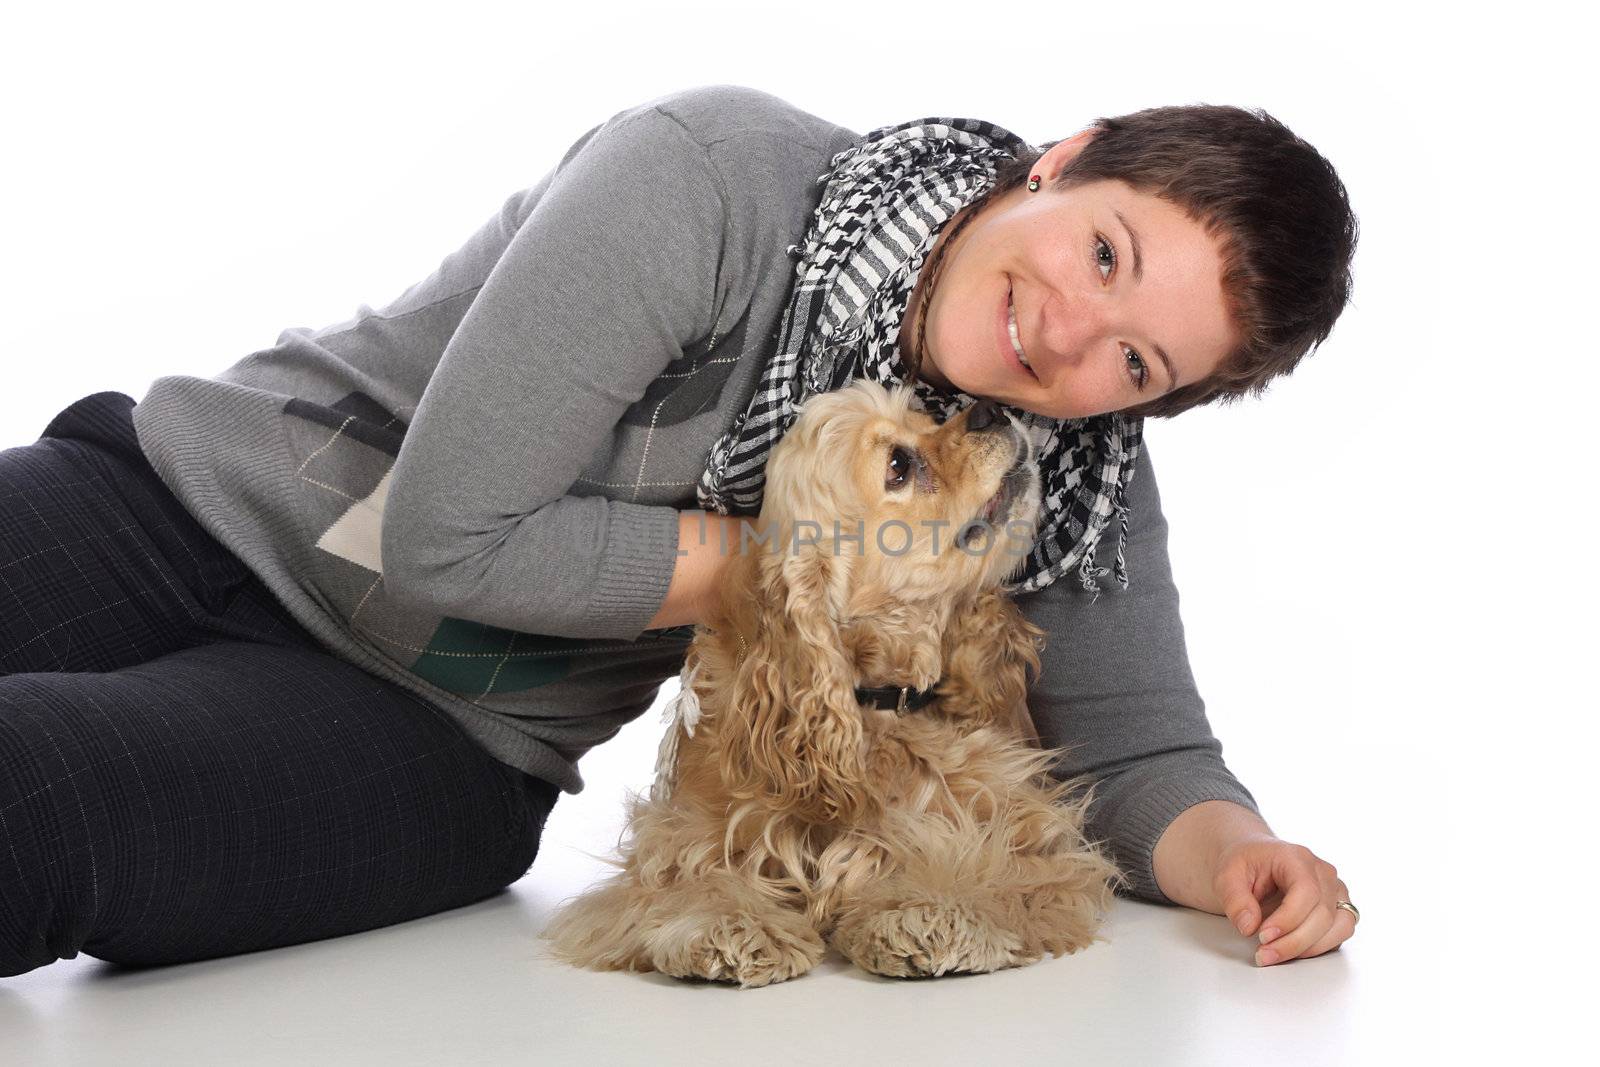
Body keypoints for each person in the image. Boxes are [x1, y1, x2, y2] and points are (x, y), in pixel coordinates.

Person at [0, 83, 1358, 979]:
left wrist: (1244, 858)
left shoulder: (1054, 467)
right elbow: (448, 539)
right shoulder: (714, 184)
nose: (1070, 338)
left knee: (36, 804)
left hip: (431, 733)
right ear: (1061, 161)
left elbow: (1139, 747)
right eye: (1104, 254)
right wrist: (789, 578)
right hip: (182, 508)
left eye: (1139, 365)